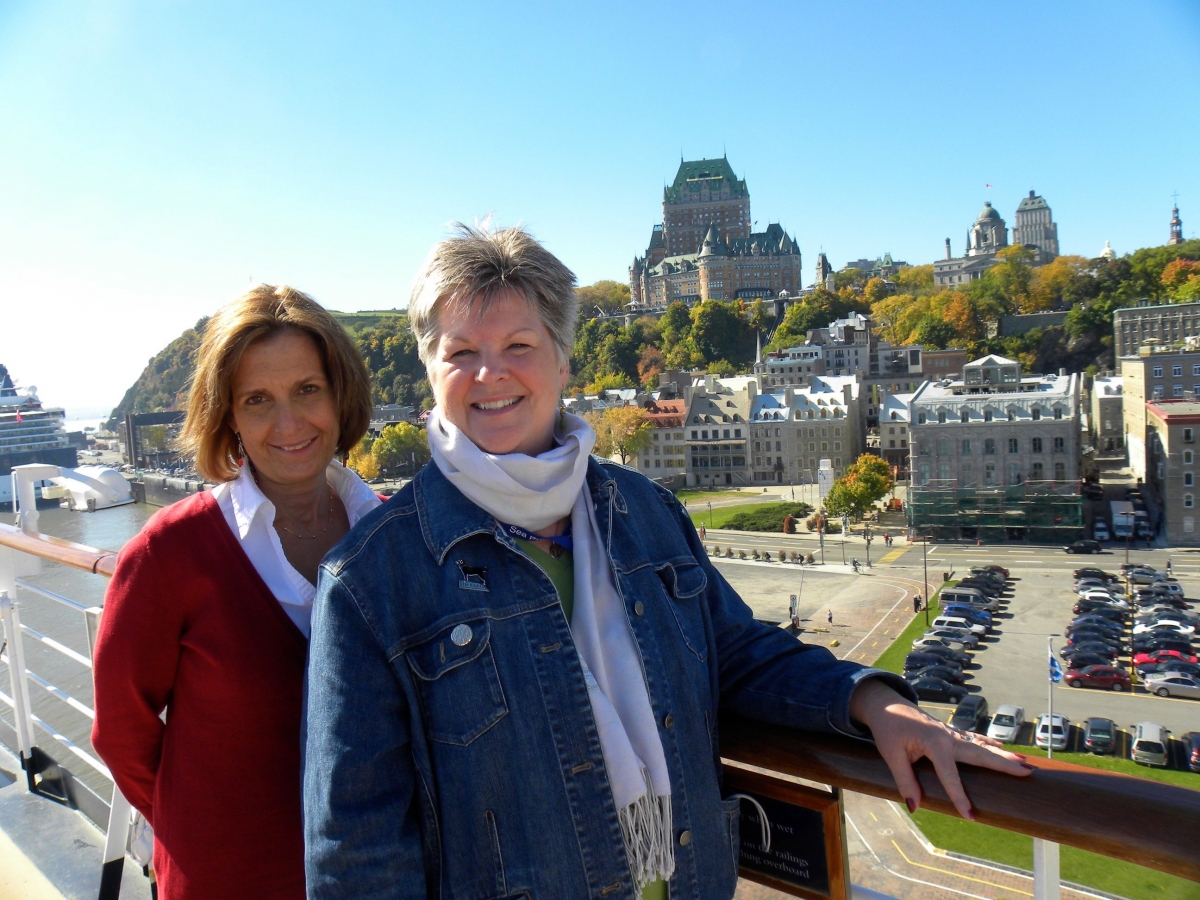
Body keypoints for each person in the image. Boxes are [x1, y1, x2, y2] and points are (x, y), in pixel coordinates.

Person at [303, 225, 1030, 900]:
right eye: (461, 352)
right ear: (430, 370)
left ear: (563, 358)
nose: (490, 374)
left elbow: (736, 655)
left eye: (520, 345)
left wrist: (875, 701)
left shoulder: (643, 511)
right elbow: (356, 849)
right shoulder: (371, 578)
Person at [92, 285, 381, 899]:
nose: (289, 423)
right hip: (228, 880)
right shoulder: (169, 553)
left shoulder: (390, 534)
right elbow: (122, 731)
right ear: (227, 417)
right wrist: (198, 826)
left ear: (340, 393)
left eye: (308, 389)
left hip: (374, 874)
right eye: (257, 400)